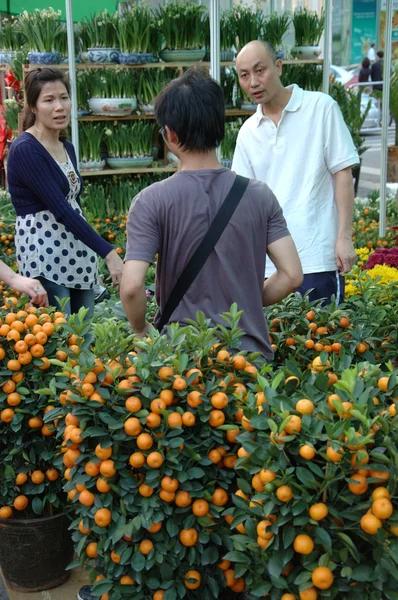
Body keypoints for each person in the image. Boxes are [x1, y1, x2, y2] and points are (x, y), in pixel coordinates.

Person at [120, 68, 303, 358]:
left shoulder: (150, 201)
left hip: (181, 363)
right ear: (220, 127)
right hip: (249, 357)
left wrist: (141, 330)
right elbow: (292, 275)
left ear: (169, 133)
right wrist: (247, 302)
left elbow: (131, 286)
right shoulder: (259, 195)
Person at [232, 41, 359, 304]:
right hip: (271, 268)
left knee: (324, 342)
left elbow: (343, 174)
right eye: (244, 75)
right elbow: (244, 200)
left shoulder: (321, 108)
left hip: (317, 258)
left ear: (278, 66)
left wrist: (344, 238)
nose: (253, 82)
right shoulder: (248, 132)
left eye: (260, 70)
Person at [7, 68, 123, 316]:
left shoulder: (66, 146)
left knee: (84, 335)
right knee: (61, 339)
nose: (59, 106)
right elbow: (60, 210)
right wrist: (108, 252)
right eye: (49, 100)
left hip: (75, 255)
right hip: (45, 257)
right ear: (33, 107)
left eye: (63, 97)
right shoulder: (26, 149)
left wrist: (92, 258)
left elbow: (75, 206)